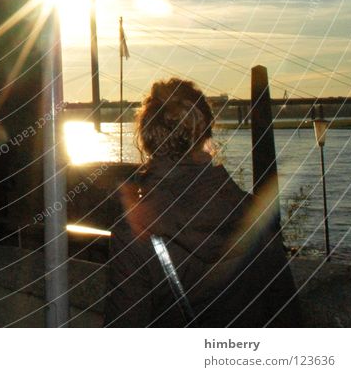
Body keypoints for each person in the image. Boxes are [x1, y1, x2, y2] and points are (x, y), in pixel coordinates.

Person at [104, 77, 300, 327]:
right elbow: (286, 313)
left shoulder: (135, 232)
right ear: (207, 132)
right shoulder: (253, 213)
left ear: (146, 140)